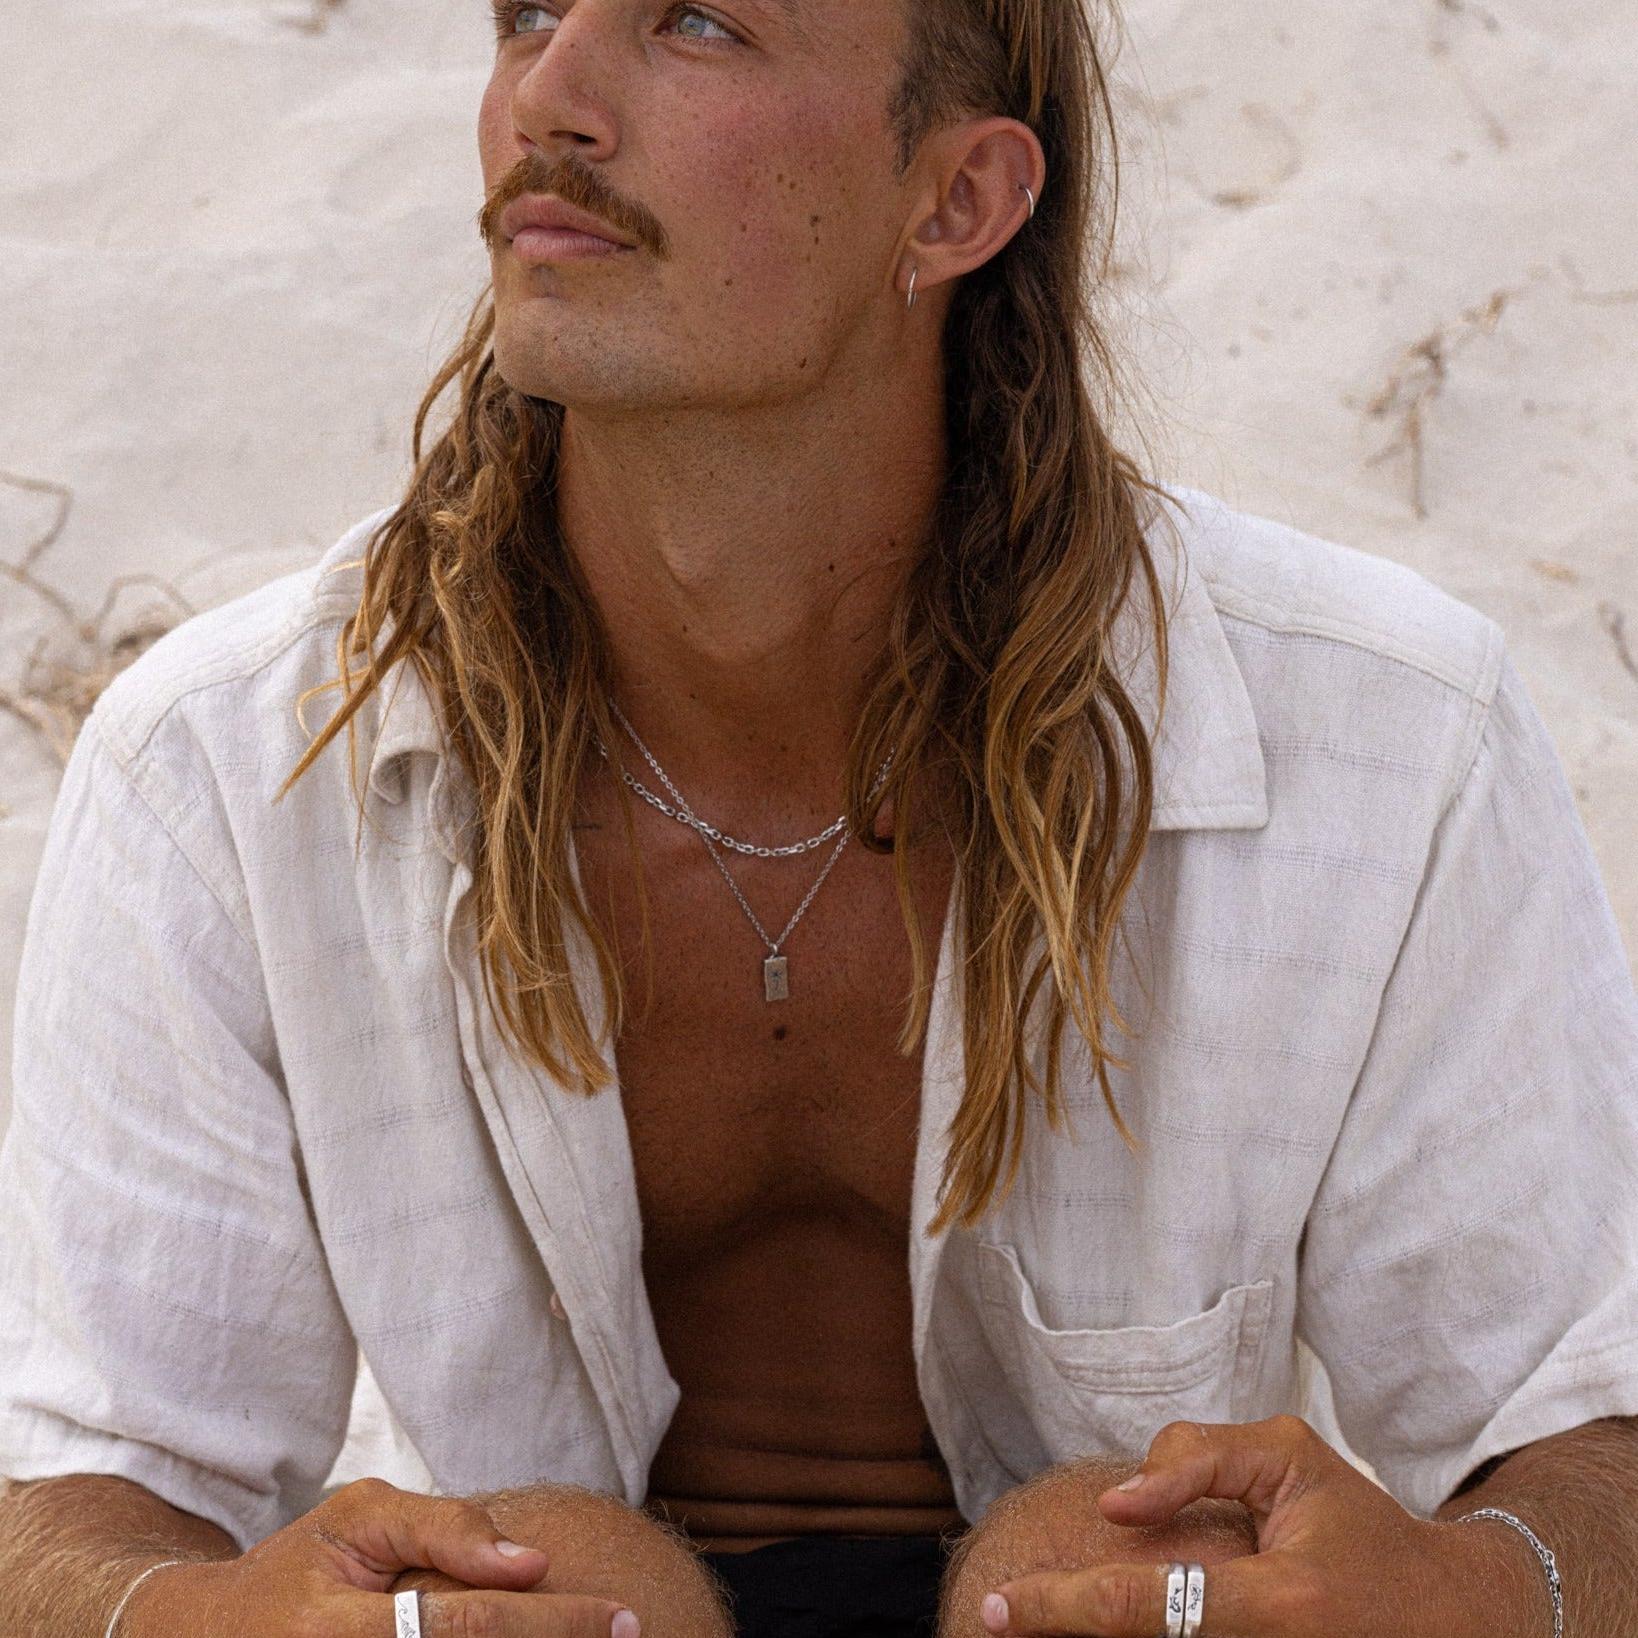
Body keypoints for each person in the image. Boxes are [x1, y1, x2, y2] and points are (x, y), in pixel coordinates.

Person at [3, 0, 1637, 1634]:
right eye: (524, 15)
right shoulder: (232, 760)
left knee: (1105, 1555)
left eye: (696, 24)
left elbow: (1586, 1422)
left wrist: (1488, 1589)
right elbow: (75, 1489)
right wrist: (181, 1615)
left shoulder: (1383, 735)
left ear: (956, 203)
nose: (544, 97)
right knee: (541, 1578)